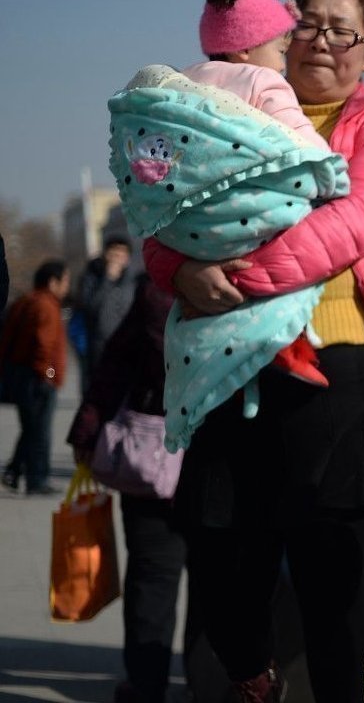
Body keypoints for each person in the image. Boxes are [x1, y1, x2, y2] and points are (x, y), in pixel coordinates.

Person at [141, 0, 364, 701]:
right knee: (217, 557)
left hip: (344, 375)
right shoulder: (209, 111)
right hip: (232, 368)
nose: (325, 42)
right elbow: (157, 213)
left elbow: (356, 224)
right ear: (277, 29)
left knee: (334, 586)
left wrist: (238, 275)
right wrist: (178, 268)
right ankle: (250, 671)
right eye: (311, 24)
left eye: (346, 31)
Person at [110, 0, 352, 450]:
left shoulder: (182, 85)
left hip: (188, 231)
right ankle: (282, 344)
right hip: (248, 214)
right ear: (245, 50)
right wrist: (332, 176)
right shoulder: (262, 80)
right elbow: (299, 148)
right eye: (280, 48)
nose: (284, 61)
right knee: (295, 235)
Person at [66, 275, 186, 703]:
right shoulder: (263, 278)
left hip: (149, 456)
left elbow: (115, 364)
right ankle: (213, 683)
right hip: (223, 461)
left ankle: (145, 684)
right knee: (220, 580)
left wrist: (86, 432)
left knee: (152, 578)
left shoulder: (158, 291)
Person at [0, 260, 69, 495]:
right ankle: (37, 480)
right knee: (40, 432)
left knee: (31, 428)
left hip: (21, 375)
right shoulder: (46, 305)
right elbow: (44, 347)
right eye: (65, 281)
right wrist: (48, 375)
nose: (67, 287)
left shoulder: (25, 301)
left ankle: (14, 470)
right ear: (53, 282)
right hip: (37, 378)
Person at [75, 236, 135, 393]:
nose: (118, 259)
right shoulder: (90, 278)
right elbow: (91, 307)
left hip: (126, 348)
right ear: (105, 255)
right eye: (114, 254)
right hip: (97, 346)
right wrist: (107, 280)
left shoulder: (132, 282)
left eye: (122, 255)